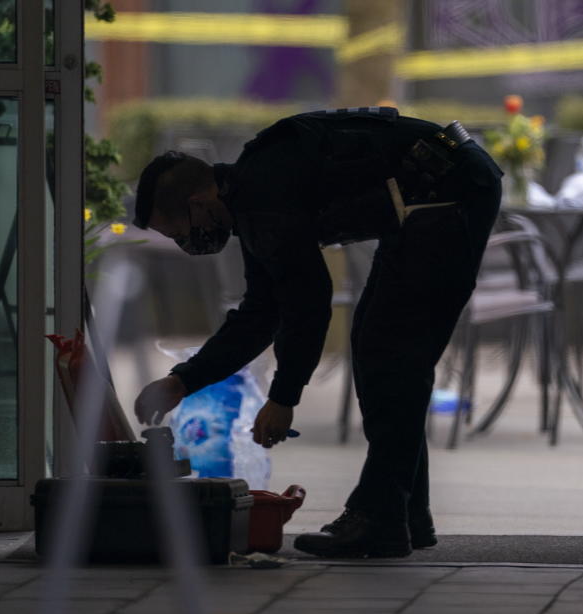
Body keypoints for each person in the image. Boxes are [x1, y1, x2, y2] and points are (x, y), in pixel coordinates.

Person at [132, 106, 502, 558]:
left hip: (450, 194)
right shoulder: (251, 197)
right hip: (429, 199)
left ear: (197, 202)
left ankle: (381, 518)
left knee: (390, 357)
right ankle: (404, 514)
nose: (186, 243)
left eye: (178, 232)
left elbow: (307, 303)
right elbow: (261, 311)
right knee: (380, 353)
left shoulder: (263, 196)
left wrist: (284, 398)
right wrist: (183, 381)